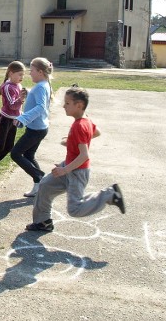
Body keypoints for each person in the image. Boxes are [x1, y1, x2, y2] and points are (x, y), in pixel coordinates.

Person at [26, 86, 126, 233]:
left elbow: (84, 155)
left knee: (75, 209)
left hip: (76, 171)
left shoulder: (79, 125)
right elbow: (96, 132)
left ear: (79, 105)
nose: (63, 106)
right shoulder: (85, 120)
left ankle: (110, 194)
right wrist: (72, 141)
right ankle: (43, 222)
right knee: (45, 186)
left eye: (67, 103)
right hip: (69, 166)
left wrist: (64, 170)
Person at [11, 57, 53, 198]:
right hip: (39, 128)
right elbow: (39, 102)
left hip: (36, 130)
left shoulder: (41, 86)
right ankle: (39, 185)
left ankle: (39, 176)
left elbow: (41, 107)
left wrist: (22, 118)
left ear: (40, 72)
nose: (30, 73)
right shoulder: (43, 84)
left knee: (15, 153)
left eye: (32, 70)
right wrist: (29, 93)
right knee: (29, 155)